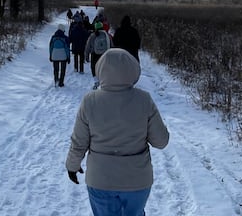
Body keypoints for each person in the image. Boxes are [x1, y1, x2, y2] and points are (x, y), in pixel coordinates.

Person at [65, 48, 170, 216]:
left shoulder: (89, 101)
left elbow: (79, 142)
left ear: (100, 70)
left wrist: (72, 165)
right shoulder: (144, 99)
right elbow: (161, 141)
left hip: (100, 179)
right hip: (137, 180)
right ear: (133, 69)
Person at [84, 21, 111, 88]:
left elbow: (88, 46)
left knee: (93, 67)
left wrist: (86, 56)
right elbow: (112, 45)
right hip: (104, 54)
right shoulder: (106, 35)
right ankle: (104, 81)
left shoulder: (93, 35)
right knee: (104, 68)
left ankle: (96, 82)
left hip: (94, 54)